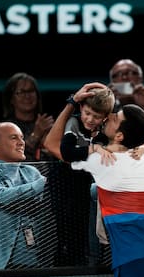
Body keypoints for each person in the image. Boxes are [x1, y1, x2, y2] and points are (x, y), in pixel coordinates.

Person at [71, 104, 144, 277]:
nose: (110, 116)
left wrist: (72, 104)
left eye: (115, 118)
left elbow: (53, 145)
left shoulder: (101, 162)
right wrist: (143, 144)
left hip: (134, 264)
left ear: (120, 135)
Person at [43, 82, 115, 266]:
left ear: (106, 117)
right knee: (67, 240)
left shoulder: (106, 133)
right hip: (64, 188)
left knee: (89, 241)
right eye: (87, 113)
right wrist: (72, 101)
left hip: (92, 193)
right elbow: (62, 151)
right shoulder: (74, 123)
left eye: (96, 116)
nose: (90, 119)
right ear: (81, 107)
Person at [0, 122, 48, 270]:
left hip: (30, 262)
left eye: (22, 138)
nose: (21, 143)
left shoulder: (32, 173)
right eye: (14, 138)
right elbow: (2, 197)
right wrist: (40, 185)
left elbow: (37, 204)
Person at [2, 72, 54, 161]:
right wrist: (36, 135)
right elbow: (10, 158)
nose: (27, 96)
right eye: (21, 92)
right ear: (11, 98)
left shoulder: (46, 123)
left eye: (31, 91)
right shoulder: (5, 129)